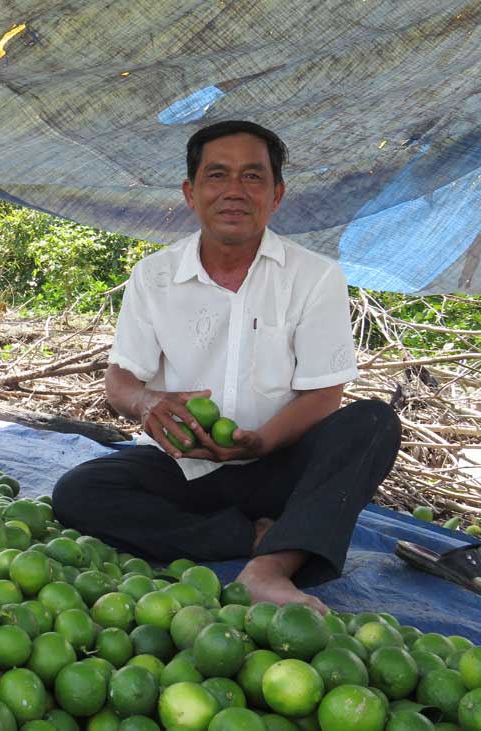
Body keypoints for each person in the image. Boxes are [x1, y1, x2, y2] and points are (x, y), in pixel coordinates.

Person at [52, 120, 401, 612]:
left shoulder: (316, 277)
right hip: (188, 469)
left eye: (252, 177)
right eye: (217, 176)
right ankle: (257, 538)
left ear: (276, 195)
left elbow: (325, 395)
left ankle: (270, 570)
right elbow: (120, 378)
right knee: (80, 491)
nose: (234, 191)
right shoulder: (154, 276)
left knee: (373, 421)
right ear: (190, 192)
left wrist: (259, 443)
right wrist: (146, 401)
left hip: (283, 467)